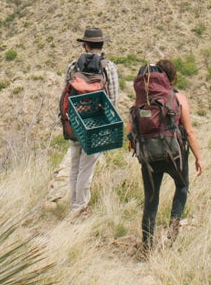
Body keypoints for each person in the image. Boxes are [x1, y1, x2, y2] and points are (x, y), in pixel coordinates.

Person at [129, 58, 203, 253]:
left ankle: (147, 245)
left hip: (149, 156)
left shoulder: (141, 101)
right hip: (174, 155)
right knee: (182, 186)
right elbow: (189, 132)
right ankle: (173, 227)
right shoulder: (178, 98)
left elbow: (129, 130)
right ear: (170, 77)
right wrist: (198, 157)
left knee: (151, 200)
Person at [60, 26, 120, 218]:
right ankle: (80, 207)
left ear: (85, 45)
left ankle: (74, 205)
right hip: (97, 124)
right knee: (87, 167)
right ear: (101, 45)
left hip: (76, 122)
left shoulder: (73, 66)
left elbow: (65, 94)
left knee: (75, 166)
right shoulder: (108, 67)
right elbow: (114, 99)